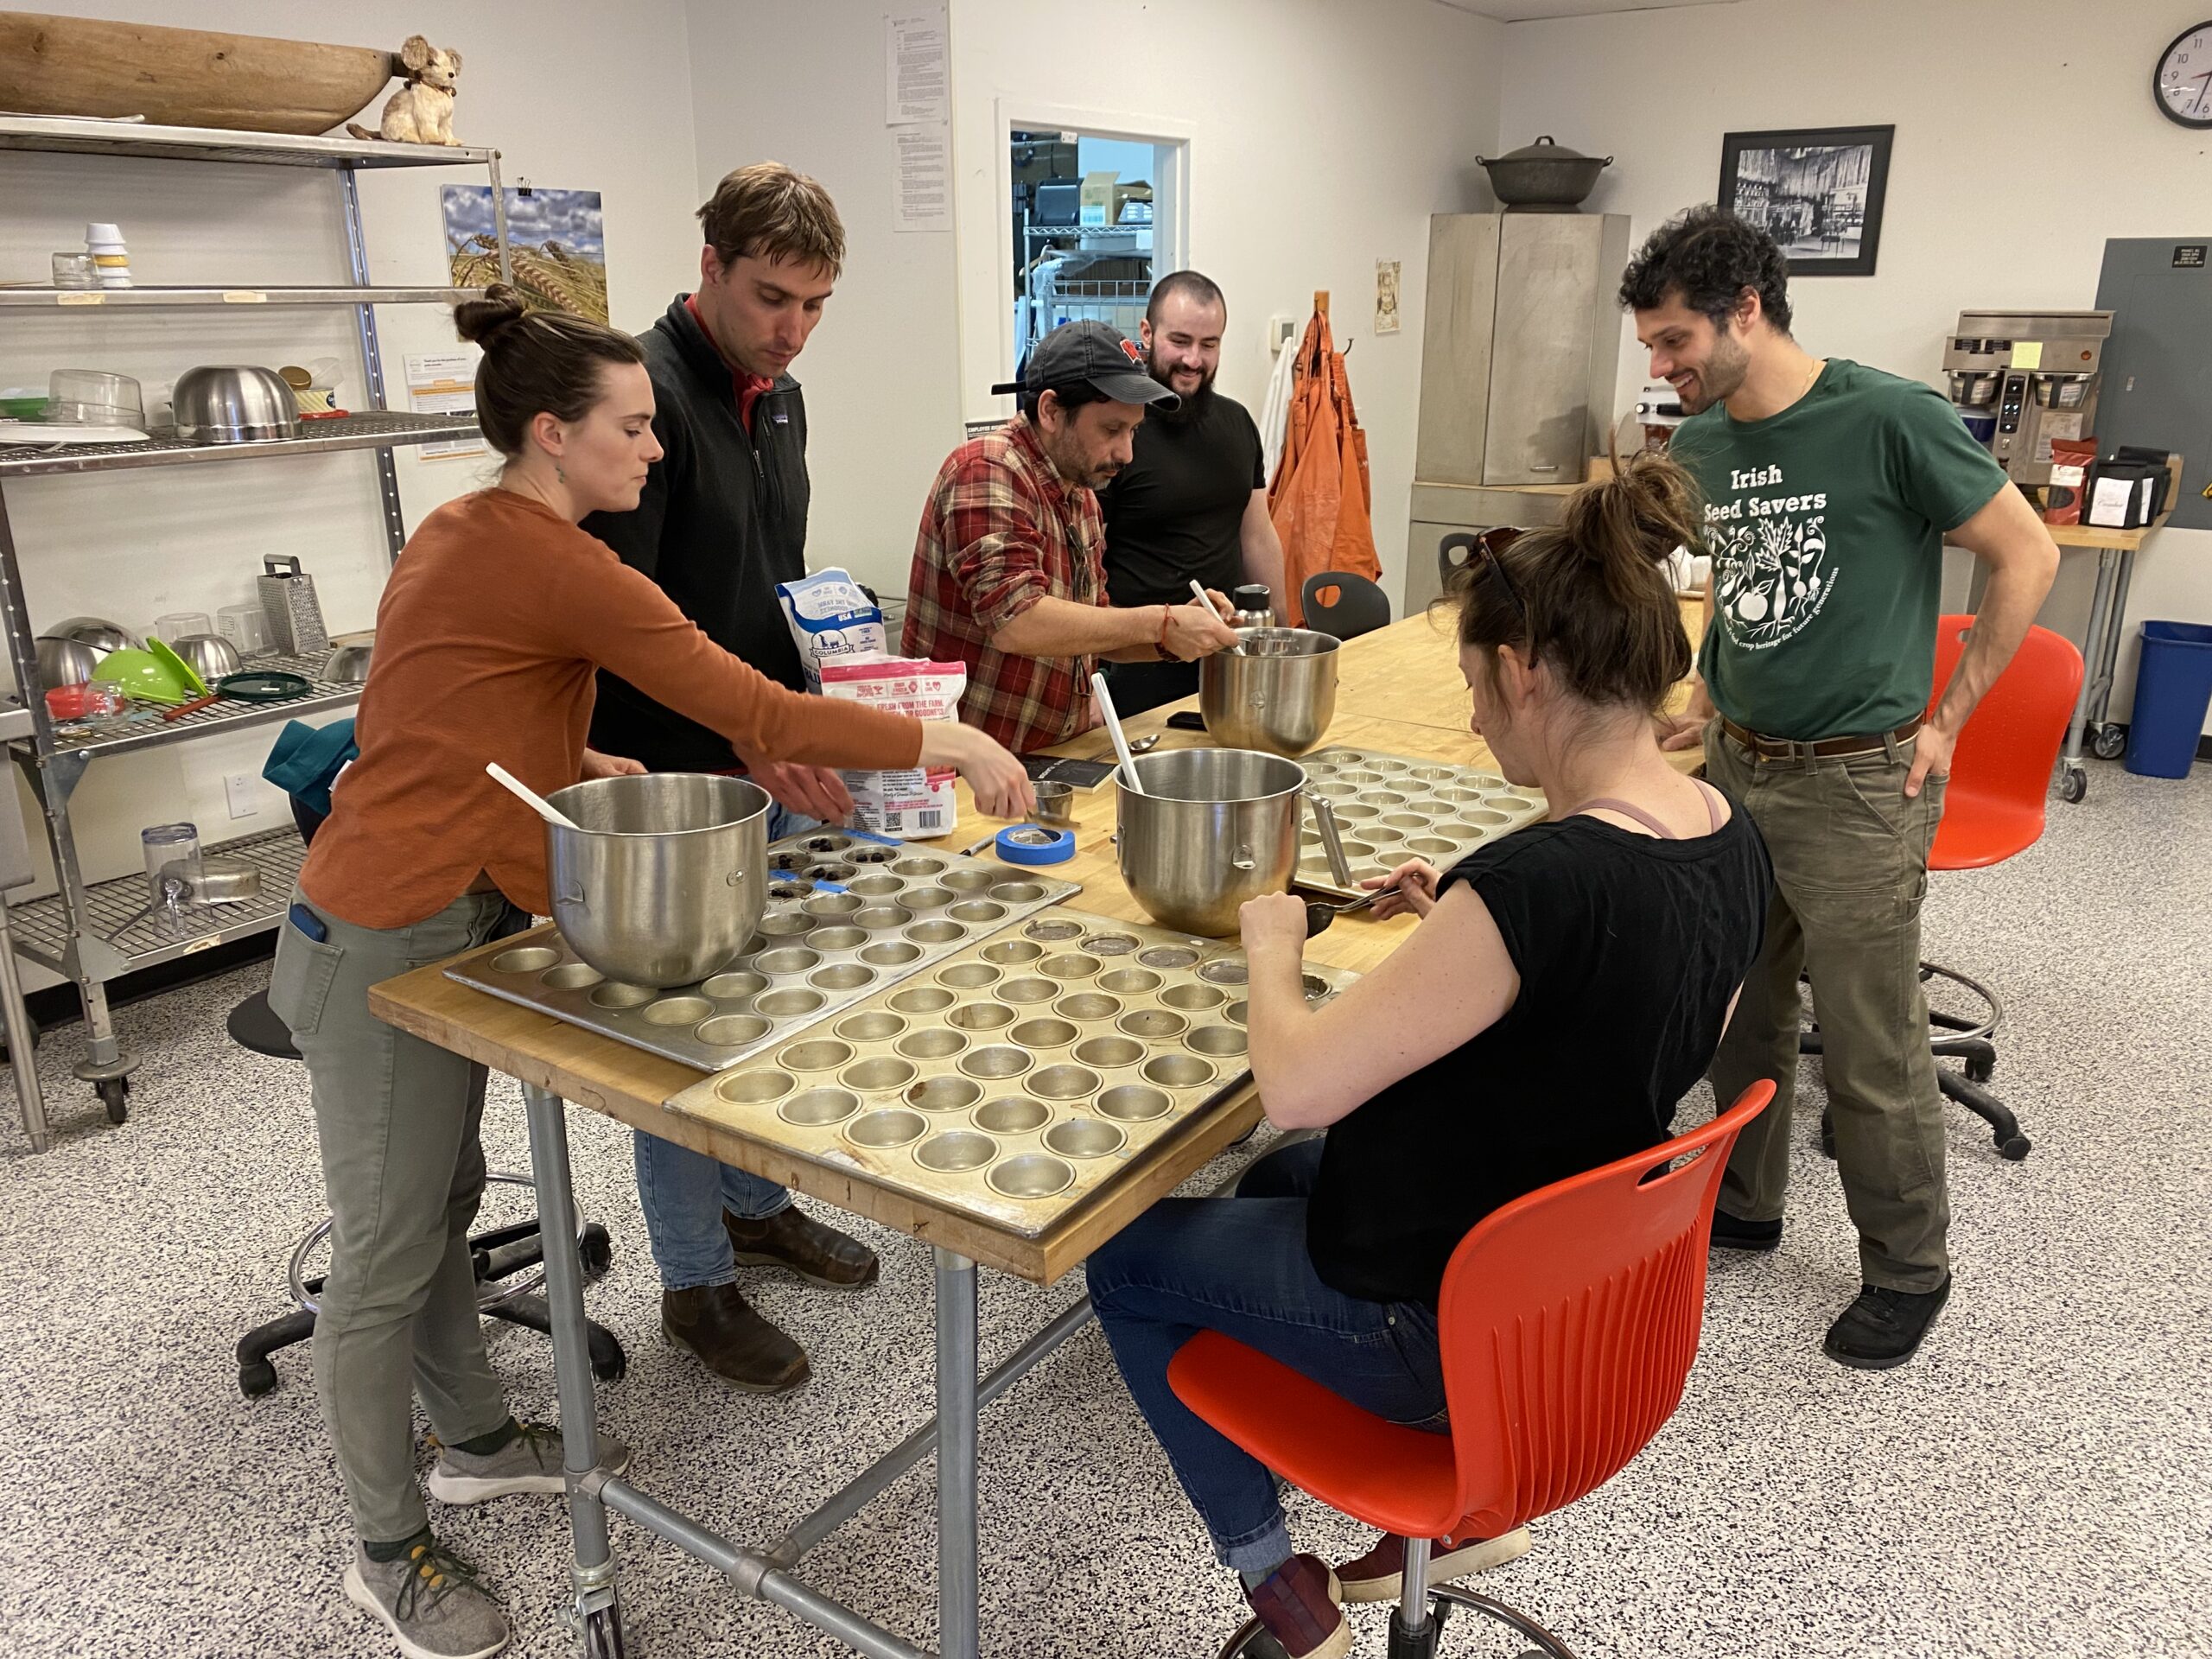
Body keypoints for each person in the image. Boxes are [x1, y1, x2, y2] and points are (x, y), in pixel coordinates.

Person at [270, 286, 1030, 1659]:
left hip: (441, 916)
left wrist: (584, 766)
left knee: (439, 1209)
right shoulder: (549, 556)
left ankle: (480, 1440)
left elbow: (435, 719)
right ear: (554, 436)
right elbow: (743, 699)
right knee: (385, 1256)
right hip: (379, 929)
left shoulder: (469, 531)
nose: (658, 448)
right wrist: (946, 746)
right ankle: (385, 1553)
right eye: (632, 428)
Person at [1085, 457, 1771, 1659]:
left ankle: (1273, 1580)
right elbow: (1655, 1033)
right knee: (1268, 1185)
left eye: (1473, 687)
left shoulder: (1535, 886)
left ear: (1525, 671)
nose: (1471, 717)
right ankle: (1427, 1515)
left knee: (1126, 1258)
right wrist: (1464, 926)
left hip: (1433, 1316)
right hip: (1564, 1296)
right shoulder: (1725, 833)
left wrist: (1269, 942)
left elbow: (1295, 1084)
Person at [1623, 207, 2060, 1370]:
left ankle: (1909, 1268)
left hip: (1860, 782)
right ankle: (1751, 1206)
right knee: (1746, 1011)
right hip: (1740, 766)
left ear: (1745, 312)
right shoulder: (1705, 445)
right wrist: (1713, 692)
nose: (1662, 371)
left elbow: (2029, 553)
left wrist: (1951, 720)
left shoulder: (1889, 418)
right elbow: (1743, 586)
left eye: (1673, 343)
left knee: (1870, 1043)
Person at [581, 162, 887, 1395]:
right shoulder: (645, 399)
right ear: (707, 267)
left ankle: (756, 1202)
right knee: (681, 1035)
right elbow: (625, 620)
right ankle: (695, 1278)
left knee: (756, 1006)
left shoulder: (781, 398)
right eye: (770, 298)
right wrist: (750, 736)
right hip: (659, 769)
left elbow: (773, 576)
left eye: (814, 305)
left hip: (756, 748)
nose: (791, 328)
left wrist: (827, 687)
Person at [901, 319, 1243, 753]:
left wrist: (1173, 637)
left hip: (1053, 753)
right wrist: (1161, 620)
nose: (1127, 454)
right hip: (970, 765)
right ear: (1050, 410)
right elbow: (1018, 622)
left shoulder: (1079, 492)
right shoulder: (987, 471)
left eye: (1133, 431)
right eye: (1111, 430)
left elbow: (1093, 631)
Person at [1098, 270, 1286, 714]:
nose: (1193, 360)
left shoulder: (1237, 424)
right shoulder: (1117, 432)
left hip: (1224, 660)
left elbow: (1257, 537)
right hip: (1133, 668)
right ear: (1147, 333)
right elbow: (1083, 560)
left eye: (1208, 344)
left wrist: (1283, 638)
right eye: (1179, 341)